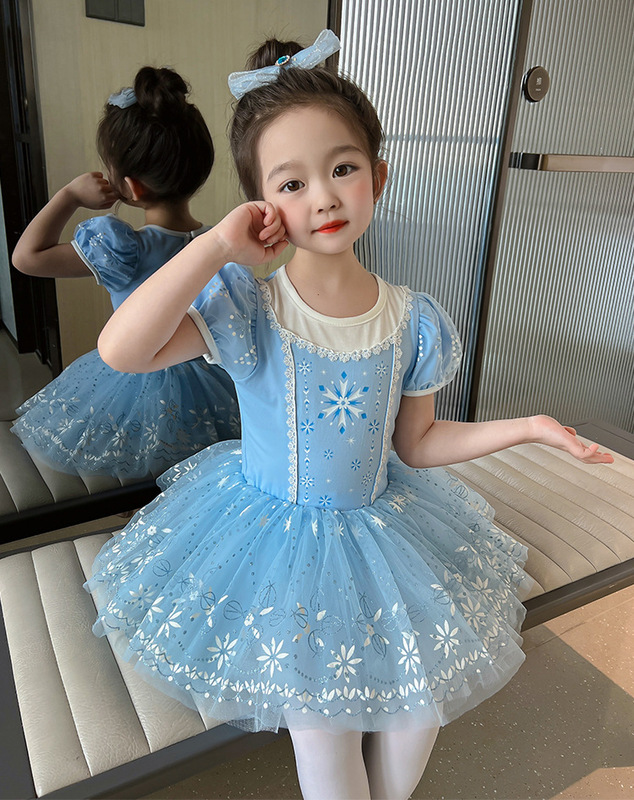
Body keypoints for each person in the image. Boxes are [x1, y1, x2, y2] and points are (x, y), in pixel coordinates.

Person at [86, 32, 613, 800]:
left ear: (378, 176)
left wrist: (529, 427)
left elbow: (418, 443)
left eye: (341, 169)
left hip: (384, 528)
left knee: (417, 708)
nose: (324, 197)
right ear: (261, 204)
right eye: (290, 182)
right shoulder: (248, 306)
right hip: (271, 541)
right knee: (323, 728)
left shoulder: (415, 319)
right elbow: (121, 350)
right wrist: (217, 248)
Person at [11, 66, 240, 480]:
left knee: (141, 477)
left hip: (139, 382)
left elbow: (27, 257)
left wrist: (69, 196)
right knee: (202, 475)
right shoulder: (223, 241)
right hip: (218, 376)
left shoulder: (123, 250)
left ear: (131, 188)